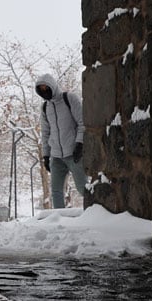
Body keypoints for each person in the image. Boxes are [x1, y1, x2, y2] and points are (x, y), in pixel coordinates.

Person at [36, 73, 89, 209]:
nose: (44, 91)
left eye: (46, 88)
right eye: (41, 89)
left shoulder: (69, 99)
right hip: (56, 157)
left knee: (83, 188)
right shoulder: (45, 108)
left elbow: (82, 122)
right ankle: (58, 217)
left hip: (73, 154)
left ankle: (93, 212)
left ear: (52, 86)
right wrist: (46, 156)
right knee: (56, 192)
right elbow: (45, 133)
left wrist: (79, 144)